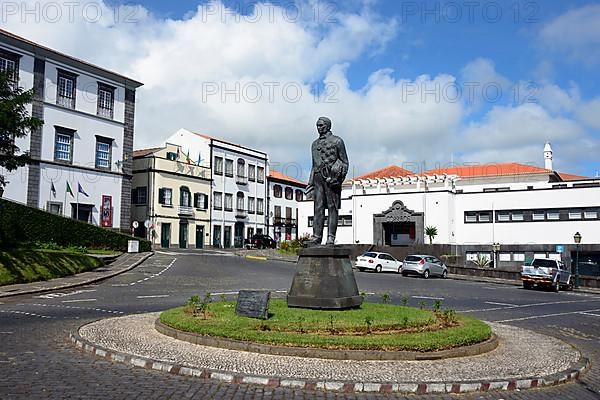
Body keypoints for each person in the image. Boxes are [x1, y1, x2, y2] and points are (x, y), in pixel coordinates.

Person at [304, 117, 349, 247]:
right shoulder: (314, 144)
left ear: (328, 126)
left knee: (332, 207)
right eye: (317, 125)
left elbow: (345, 162)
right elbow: (313, 165)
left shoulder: (337, 141)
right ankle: (316, 237)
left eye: (321, 125)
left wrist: (338, 178)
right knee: (317, 208)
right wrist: (310, 184)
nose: (319, 128)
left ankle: (330, 237)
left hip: (331, 178)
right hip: (318, 177)